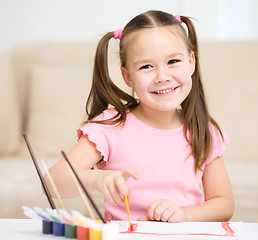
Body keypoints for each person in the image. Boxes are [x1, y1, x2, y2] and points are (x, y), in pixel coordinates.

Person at [45, 10, 234, 223]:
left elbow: (224, 203)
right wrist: (97, 179)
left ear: (191, 62)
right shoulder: (110, 127)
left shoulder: (203, 129)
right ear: (128, 76)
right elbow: (52, 181)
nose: (162, 77)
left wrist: (184, 215)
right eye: (146, 66)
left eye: (173, 61)